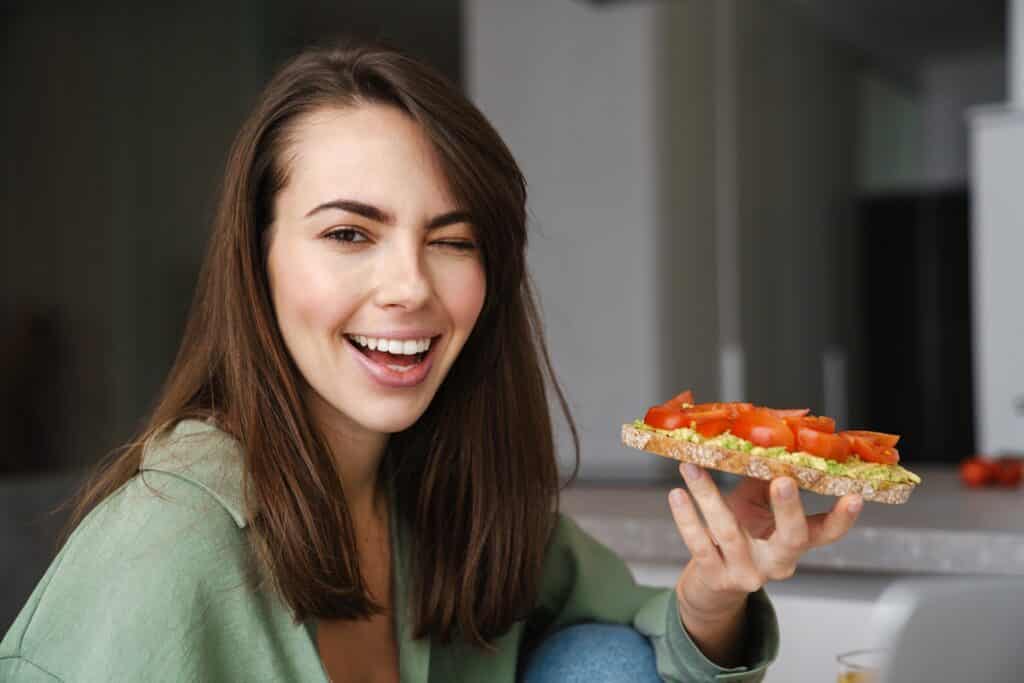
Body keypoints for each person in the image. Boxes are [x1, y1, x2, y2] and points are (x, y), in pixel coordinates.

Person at [0, 41, 863, 682]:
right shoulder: (165, 545)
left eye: (452, 241)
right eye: (349, 234)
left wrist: (714, 592)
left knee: (606, 660)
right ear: (255, 260)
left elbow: (650, 645)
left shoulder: (450, 489)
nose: (410, 286)